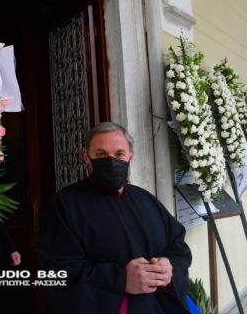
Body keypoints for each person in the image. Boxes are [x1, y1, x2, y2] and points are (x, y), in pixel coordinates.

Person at [38, 122, 192, 313]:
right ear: (86, 156)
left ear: (130, 156)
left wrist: (170, 270)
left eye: (119, 154)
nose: (111, 161)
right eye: (101, 154)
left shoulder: (146, 199)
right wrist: (120, 279)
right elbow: (56, 273)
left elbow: (178, 248)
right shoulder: (64, 205)